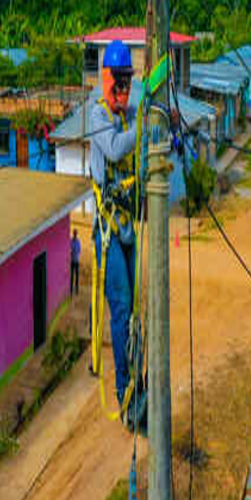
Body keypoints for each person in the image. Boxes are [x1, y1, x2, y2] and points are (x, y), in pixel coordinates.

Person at [90, 39, 146, 431]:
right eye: (118, 84)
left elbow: (136, 159)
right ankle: (125, 394)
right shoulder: (99, 116)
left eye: (128, 84)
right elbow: (112, 151)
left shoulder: (127, 117)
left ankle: (137, 385)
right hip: (109, 232)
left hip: (127, 228)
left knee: (136, 313)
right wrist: (145, 125)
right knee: (121, 309)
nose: (123, 92)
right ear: (106, 79)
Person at [70, 229, 81, 295]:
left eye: (75, 233)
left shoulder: (77, 241)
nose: (75, 235)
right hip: (73, 260)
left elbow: (79, 250)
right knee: (72, 276)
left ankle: (76, 289)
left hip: (76, 260)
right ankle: (71, 289)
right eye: (74, 233)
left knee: (76, 276)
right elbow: (78, 250)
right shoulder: (72, 241)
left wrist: (73, 252)